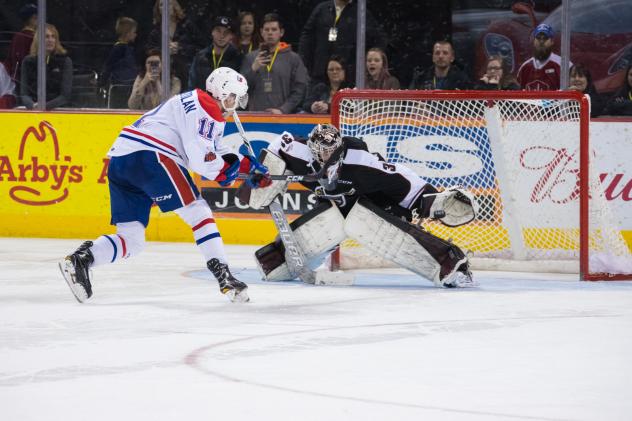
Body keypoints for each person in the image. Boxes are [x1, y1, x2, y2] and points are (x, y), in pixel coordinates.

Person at [59, 67, 272, 304]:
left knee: (132, 240)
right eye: (234, 96)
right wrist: (228, 173)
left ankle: (82, 259)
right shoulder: (208, 108)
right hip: (152, 156)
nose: (236, 104)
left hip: (122, 158)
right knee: (198, 211)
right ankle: (225, 276)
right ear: (222, 93)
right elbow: (201, 160)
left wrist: (244, 166)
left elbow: (213, 149)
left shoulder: (197, 101)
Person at [245, 124, 477, 289]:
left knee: (364, 222)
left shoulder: (359, 162)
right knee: (279, 264)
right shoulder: (298, 151)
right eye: (321, 153)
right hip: (334, 208)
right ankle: (279, 259)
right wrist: (265, 170)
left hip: (374, 204)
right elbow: (279, 145)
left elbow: (400, 177)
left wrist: (430, 200)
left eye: (331, 151)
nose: (327, 157)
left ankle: (452, 264)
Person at [299, 0, 387, 84]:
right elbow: (307, 36)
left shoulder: (360, 12)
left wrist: (370, 60)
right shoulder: (321, 9)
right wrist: (304, 63)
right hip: (320, 72)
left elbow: (379, 38)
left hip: (348, 75)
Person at [240, 13, 308, 114]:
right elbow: (240, 89)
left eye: (274, 29)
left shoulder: (293, 58)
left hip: (283, 117)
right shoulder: (250, 58)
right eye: (267, 30)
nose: (270, 33)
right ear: (261, 32)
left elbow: (300, 89)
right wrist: (253, 69)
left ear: (281, 32)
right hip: (255, 117)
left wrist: (283, 109)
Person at [146, 0, 204, 89]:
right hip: (164, 76)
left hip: (188, 73)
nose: (165, 8)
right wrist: (163, 51)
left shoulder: (187, 26)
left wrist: (181, 48)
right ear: (158, 10)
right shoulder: (155, 32)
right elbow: (149, 53)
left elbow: (202, 47)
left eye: (168, 4)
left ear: (175, 6)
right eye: (161, 5)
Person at [20, 24, 72, 110]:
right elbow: (24, 93)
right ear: (38, 40)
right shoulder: (28, 61)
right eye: (46, 37)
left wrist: (45, 107)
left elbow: (65, 95)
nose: (50, 40)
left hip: (58, 111)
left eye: (53, 37)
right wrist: (32, 105)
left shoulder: (65, 61)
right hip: (33, 111)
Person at [188, 16, 242, 91]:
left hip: (225, 102)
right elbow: (192, 86)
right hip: (203, 101)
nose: (222, 36)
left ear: (231, 36)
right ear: (212, 32)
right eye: (218, 31)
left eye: (226, 33)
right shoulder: (200, 57)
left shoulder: (238, 58)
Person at [101, 17, 139, 108]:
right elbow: (108, 66)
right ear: (127, 33)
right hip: (120, 87)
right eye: (134, 32)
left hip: (129, 86)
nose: (135, 35)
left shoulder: (128, 48)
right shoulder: (118, 48)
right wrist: (102, 82)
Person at [516, 24, 567, 91]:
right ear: (534, 41)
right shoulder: (525, 67)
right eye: (538, 38)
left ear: (552, 41)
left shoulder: (563, 65)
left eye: (545, 38)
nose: (541, 41)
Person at [4, 3, 38, 86]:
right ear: (32, 19)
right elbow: (19, 60)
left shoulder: (20, 36)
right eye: (36, 17)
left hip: (26, 80)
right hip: (26, 82)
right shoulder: (24, 37)